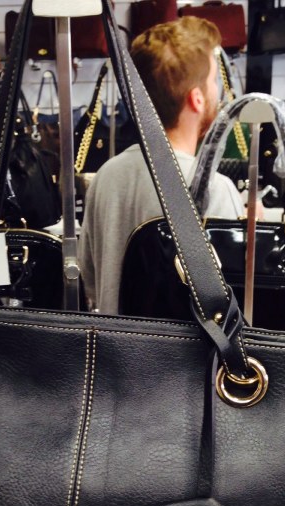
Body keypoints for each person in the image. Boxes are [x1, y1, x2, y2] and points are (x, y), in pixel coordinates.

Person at [77, 15, 245, 315]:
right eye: (213, 82)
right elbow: (230, 304)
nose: (217, 91)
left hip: (113, 342)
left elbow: (90, 281)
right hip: (185, 347)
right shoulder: (215, 189)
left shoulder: (106, 176)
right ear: (196, 99)